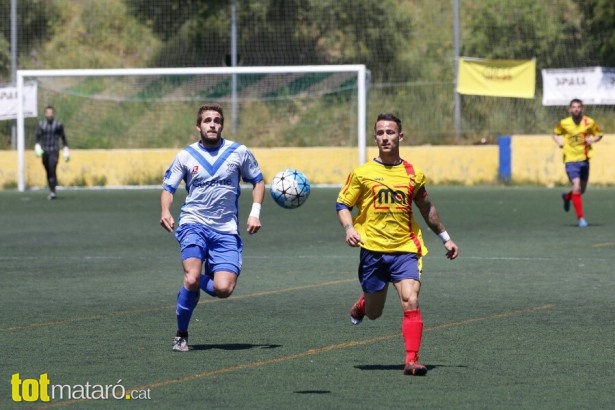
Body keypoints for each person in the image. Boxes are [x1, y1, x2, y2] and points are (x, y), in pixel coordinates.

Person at [336, 113, 459, 376]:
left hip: (406, 249)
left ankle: (412, 360)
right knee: (374, 313)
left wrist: (445, 238)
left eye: (390, 132)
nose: (385, 137)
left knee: (410, 300)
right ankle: (364, 304)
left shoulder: (414, 174)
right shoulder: (362, 173)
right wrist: (349, 228)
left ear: (400, 136)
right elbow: (342, 204)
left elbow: (427, 209)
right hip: (373, 251)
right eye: (380, 133)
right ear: (375, 137)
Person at [160, 103, 265, 352]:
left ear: (222, 125)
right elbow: (168, 189)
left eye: (217, 120)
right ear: (198, 126)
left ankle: (192, 284)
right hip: (193, 224)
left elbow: (258, 181)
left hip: (226, 230)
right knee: (192, 275)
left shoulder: (238, 152)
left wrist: (255, 212)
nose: (212, 124)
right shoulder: (185, 156)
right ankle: (181, 334)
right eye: (207, 120)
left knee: (223, 289)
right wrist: (165, 210)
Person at [551, 98, 603, 228]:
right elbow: (555, 134)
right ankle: (581, 219)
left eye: (578, 107)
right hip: (570, 160)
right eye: (573, 107)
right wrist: (559, 142)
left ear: (582, 108)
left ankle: (567, 197)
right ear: (569, 109)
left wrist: (593, 139)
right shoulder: (564, 123)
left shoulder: (589, 122)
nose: (576, 109)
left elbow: (599, 134)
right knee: (577, 186)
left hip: (584, 160)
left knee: (581, 190)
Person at [35, 105, 70, 199]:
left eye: (51, 113)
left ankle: (53, 191)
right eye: (48, 113)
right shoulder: (41, 124)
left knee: (52, 168)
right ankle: (51, 189)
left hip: (54, 150)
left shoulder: (58, 125)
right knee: (48, 170)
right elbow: (38, 137)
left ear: (53, 114)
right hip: (45, 151)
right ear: (45, 114)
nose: (49, 115)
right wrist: (37, 146)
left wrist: (66, 148)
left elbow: (63, 137)